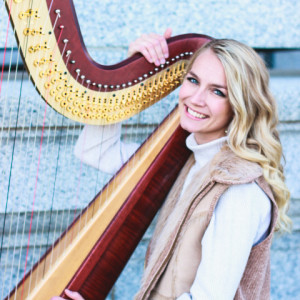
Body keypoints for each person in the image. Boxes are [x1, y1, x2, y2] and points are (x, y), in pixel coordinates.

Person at [52, 29, 291, 300]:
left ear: (240, 105)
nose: (195, 98)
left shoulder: (238, 190)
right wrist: (126, 75)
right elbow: (94, 152)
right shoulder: (191, 161)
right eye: (192, 80)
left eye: (217, 92)